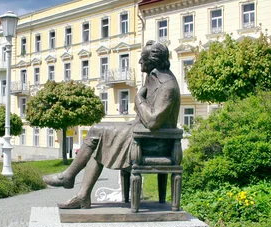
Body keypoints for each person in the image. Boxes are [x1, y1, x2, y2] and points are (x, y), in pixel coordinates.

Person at [43, 40, 181, 208]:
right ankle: (82, 195)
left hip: (154, 142)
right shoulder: (153, 78)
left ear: (153, 61)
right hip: (142, 134)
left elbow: (152, 121)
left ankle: (69, 177)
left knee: (96, 132)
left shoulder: (168, 85)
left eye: (142, 59)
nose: (139, 62)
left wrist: (138, 99)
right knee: (98, 140)